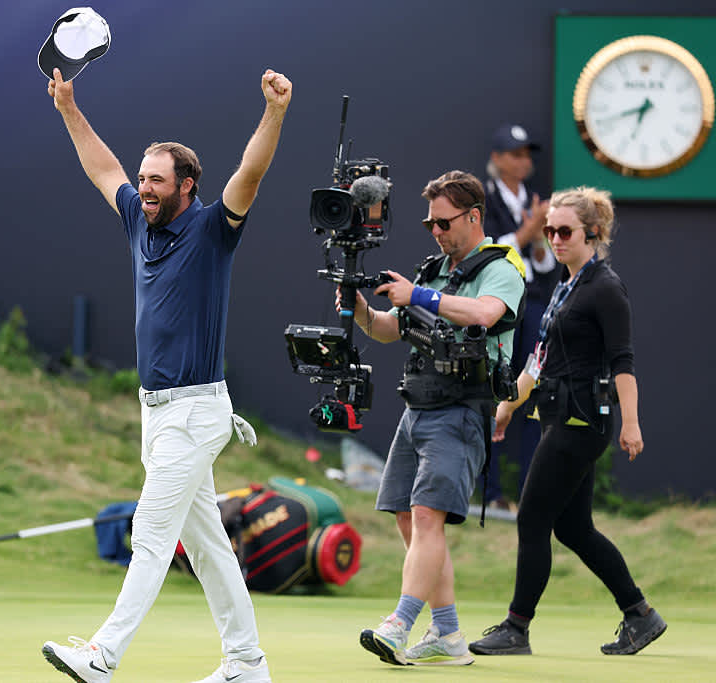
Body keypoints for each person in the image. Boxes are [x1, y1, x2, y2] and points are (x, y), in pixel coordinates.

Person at [40, 66, 291, 683]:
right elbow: (103, 169)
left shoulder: (211, 230)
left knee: (151, 534)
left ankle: (102, 656)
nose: (143, 188)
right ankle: (247, 663)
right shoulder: (137, 221)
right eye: (143, 178)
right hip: (158, 414)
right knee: (208, 549)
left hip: (196, 413)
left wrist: (275, 112)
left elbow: (250, 174)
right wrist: (68, 106)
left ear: (187, 186)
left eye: (156, 180)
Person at [337, 170, 525, 666]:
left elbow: (485, 314)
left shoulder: (503, 266)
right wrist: (357, 309)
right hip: (417, 406)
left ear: (473, 216)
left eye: (444, 223)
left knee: (426, 517)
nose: (437, 232)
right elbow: (385, 330)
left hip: (463, 408)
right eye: (430, 225)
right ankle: (447, 635)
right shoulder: (432, 270)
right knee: (407, 516)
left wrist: (420, 296)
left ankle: (399, 624)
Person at [469, 187, 665, 657]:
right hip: (560, 415)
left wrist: (631, 423)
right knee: (573, 528)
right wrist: (507, 407)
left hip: (581, 422)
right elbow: (540, 359)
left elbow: (623, 362)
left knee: (533, 518)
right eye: (549, 229)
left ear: (592, 233)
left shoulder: (605, 288)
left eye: (564, 231)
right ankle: (640, 614)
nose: (553, 238)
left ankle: (516, 628)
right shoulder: (567, 283)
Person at [481, 123, 559, 509]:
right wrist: (528, 231)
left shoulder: (534, 200)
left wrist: (540, 237)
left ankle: (532, 487)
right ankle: (490, 493)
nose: (524, 161)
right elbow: (489, 251)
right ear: (497, 159)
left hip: (535, 304)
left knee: (533, 392)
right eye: (516, 154)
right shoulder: (484, 198)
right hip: (498, 307)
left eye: (527, 154)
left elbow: (544, 267)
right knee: (494, 389)